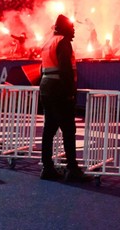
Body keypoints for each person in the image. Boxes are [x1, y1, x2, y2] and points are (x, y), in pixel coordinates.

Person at [38, 14, 88, 181]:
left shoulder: (48, 42)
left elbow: (42, 69)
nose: (74, 30)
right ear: (65, 27)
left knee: (49, 129)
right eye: (72, 27)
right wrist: (70, 93)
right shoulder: (63, 42)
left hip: (46, 87)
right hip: (59, 89)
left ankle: (47, 167)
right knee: (68, 130)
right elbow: (65, 70)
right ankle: (72, 169)